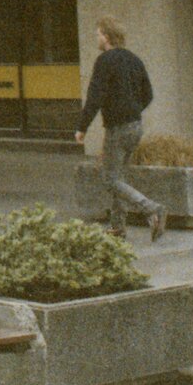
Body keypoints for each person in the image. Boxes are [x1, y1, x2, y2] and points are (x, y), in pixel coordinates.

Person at [74, 14, 166, 242]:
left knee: (109, 179)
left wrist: (82, 127)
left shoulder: (104, 61)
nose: (96, 38)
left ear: (106, 36)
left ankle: (152, 209)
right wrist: (133, 109)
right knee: (119, 177)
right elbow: (148, 94)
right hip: (135, 126)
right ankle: (117, 227)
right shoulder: (134, 59)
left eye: (98, 34)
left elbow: (94, 96)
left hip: (117, 127)